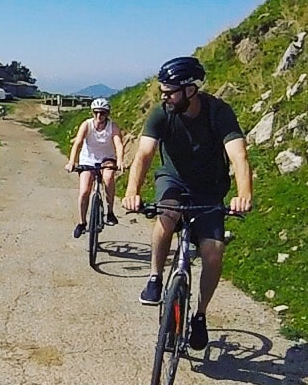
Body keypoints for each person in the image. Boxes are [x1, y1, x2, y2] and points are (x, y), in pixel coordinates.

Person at [121, 56, 253, 351]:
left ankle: (200, 315)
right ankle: (155, 277)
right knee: (167, 216)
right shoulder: (161, 113)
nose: (164, 97)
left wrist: (243, 194)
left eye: (170, 92)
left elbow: (239, 155)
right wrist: (132, 191)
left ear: (190, 90)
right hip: (174, 180)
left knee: (214, 253)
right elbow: (144, 155)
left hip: (209, 189)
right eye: (163, 91)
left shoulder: (218, 112)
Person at [65, 98, 124, 238]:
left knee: (108, 178)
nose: (99, 116)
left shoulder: (113, 127)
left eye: (102, 113)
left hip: (106, 159)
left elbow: (118, 144)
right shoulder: (87, 125)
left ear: (107, 114)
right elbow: (78, 143)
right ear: (92, 112)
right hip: (88, 160)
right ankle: (82, 223)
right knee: (84, 191)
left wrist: (120, 160)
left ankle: (110, 212)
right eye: (96, 112)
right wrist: (72, 161)